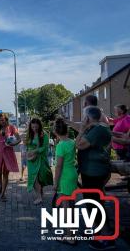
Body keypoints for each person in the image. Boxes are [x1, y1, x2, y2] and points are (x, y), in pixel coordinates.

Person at [76, 106, 115, 250]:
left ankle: (106, 238)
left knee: (95, 204)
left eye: (84, 116)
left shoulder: (97, 130)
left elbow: (79, 145)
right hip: (92, 171)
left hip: (93, 172)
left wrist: (82, 129)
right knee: (94, 203)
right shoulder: (98, 129)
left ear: (87, 117)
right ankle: (99, 232)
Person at [53, 118, 78, 245]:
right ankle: (71, 233)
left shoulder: (60, 146)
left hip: (65, 177)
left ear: (55, 132)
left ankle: (69, 237)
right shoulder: (72, 142)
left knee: (66, 208)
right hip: (72, 173)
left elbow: (58, 166)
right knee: (71, 205)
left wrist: (55, 182)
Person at [0, 113, 21, 201]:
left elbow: (19, 139)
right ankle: (1, 185)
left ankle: (3, 194)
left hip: (8, 151)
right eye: (0, 120)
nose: (2, 122)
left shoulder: (11, 127)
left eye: (3, 120)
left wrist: (13, 143)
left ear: (6, 120)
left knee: (5, 173)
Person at [26, 118, 53, 205]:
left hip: (40, 159)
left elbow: (44, 148)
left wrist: (34, 151)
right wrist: (27, 152)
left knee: (36, 179)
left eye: (36, 127)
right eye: (33, 127)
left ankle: (39, 197)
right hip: (31, 160)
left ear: (39, 126)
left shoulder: (44, 134)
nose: (34, 129)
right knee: (33, 179)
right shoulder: (29, 134)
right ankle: (40, 195)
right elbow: (27, 145)